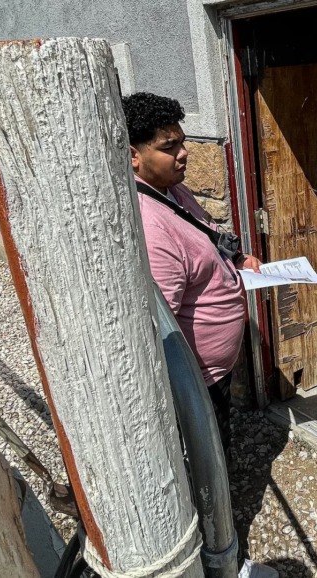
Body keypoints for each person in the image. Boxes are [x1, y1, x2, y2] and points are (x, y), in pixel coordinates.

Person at [121, 92, 261, 452]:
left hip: (214, 374)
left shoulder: (172, 191)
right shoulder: (151, 229)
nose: (183, 153)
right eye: (169, 147)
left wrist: (239, 260)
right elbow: (160, 328)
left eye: (182, 142)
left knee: (217, 440)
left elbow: (205, 237)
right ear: (133, 155)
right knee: (205, 457)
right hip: (196, 383)